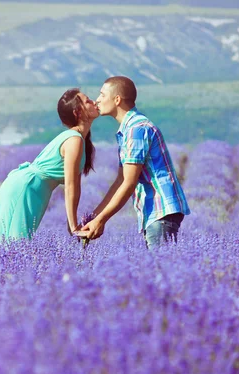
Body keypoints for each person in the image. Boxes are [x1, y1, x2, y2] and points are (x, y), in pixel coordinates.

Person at [81, 76, 190, 249]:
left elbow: (129, 183)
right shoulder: (128, 130)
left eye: (102, 94)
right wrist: (94, 217)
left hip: (160, 210)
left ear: (117, 100)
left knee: (160, 271)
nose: (97, 100)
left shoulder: (136, 130)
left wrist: (101, 220)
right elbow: (120, 181)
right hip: (155, 212)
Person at [0, 88, 98, 240]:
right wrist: (73, 226)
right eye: (88, 101)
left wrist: (72, 224)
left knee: (16, 246)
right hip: (25, 188)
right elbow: (70, 186)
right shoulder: (74, 140)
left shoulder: (79, 140)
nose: (94, 102)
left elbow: (76, 184)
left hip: (32, 189)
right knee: (14, 247)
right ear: (78, 112)